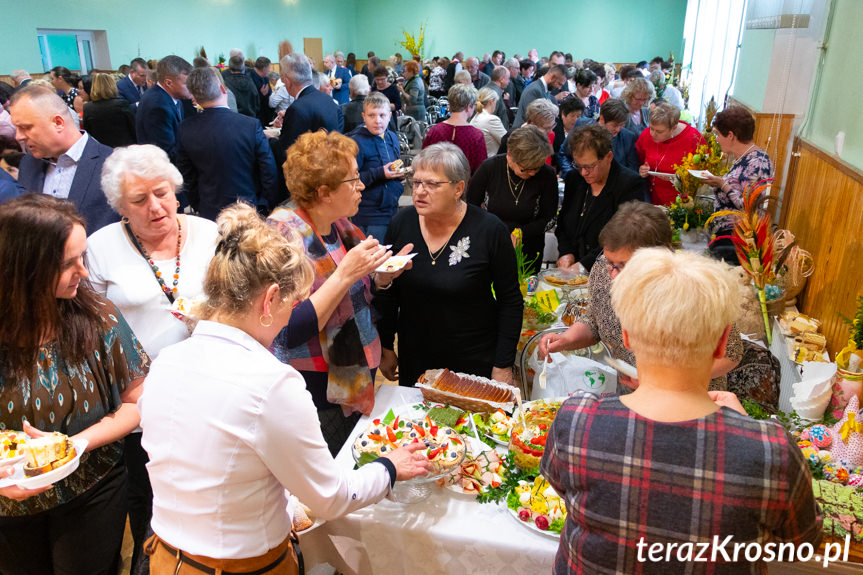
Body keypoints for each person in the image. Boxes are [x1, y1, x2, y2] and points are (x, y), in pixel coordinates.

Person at [140, 202, 431, 574]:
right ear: (269, 300)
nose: (290, 318)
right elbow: (331, 498)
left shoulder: (168, 360)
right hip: (242, 566)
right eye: (293, 304)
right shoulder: (272, 383)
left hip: (167, 558)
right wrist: (390, 466)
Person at [540, 247, 820, 574]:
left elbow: (566, 491)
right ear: (721, 342)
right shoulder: (773, 453)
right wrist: (748, 434)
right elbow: (799, 546)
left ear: (626, 336)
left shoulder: (576, 421)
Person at [0, 194, 149, 575]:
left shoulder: (97, 315)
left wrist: (76, 444)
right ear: (24, 269)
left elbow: (137, 402)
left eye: (82, 257)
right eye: (68, 263)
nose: (83, 272)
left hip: (91, 486)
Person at [86, 144, 217, 573]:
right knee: (149, 501)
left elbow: (236, 303)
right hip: (139, 403)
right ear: (120, 206)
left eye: (162, 193)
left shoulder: (209, 233)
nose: (155, 207)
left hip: (209, 391)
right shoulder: (100, 248)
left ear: (176, 189)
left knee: (210, 490)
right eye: (139, 201)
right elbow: (91, 331)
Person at [266, 130, 403, 453]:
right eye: (353, 180)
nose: (362, 185)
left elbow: (357, 294)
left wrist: (381, 276)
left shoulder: (340, 225)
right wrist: (346, 274)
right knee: (336, 471)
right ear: (325, 192)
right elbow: (285, 331)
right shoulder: (283, 236)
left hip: (355, 370)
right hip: (318, 389)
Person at [540, 201, 742, 391]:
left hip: (690, 402)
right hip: (632, 398)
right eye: (610, 262)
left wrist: (664, 381)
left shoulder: (694, 287)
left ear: (660, 255)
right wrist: (565, 340)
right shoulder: (604, 269)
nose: (612, 273)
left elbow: (731, 355)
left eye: (623, 265)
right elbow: (594, 320)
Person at [375, 142, 523, 388]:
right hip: (417, 358)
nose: (420, 191)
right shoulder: (402, 224)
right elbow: (391, 294)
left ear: (458, 189)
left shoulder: (488, 229)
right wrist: (386, 345)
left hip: (474, 358)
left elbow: (511, 301)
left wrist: (503, 364)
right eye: (417, 182)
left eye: (432, 184)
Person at [10, 85, 119, 233]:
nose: (18, 136)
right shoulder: (28, 164)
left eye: (26, 127)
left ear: (58, 123)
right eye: (16, 128)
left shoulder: (113, 164)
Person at [177, 66, 278, 218]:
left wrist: (198, 203)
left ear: (195, 99)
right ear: (223, 89)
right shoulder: (250, 125)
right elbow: (268, 170)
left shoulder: (185, 129)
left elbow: (187, 176)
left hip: (209, 208)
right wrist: (265, 203)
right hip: (247, 207)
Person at [467, 125, 557, 274]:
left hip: (529, 247)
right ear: (510, 156)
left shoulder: (547, 175)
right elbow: (471, 208)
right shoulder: (490, 168)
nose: (533, 173)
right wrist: (492, 231)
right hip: (491, 242)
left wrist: (522, 233)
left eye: (537, 168)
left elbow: (549, 218)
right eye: (525, 169)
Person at [555, 124, 646, 273]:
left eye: (590, 166)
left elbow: (623, 237)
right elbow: (564, 223)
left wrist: (584, 265)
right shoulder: (574, 178)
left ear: (608, 157)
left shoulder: (629, 185)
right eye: (578, 165)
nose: (583, 172)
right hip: (571, 269)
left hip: (608, 272)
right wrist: (566, 252)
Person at [703, 106, 773, 264]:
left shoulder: (758, 162)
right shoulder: (743, 157)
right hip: (726, 237)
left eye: (718, 135)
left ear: (730, 135)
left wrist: (723, 184)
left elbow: (750, 205)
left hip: (738, 240)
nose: (717, 139)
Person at [275, 53, 344, 198]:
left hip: (309, 183)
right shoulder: (327, 100)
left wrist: (269, 139)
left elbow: (287, 152)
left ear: (287, 81)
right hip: (330, 174)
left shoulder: (298, 108)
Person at [348, 92, 406, 238]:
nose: (377, 121)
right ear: (363, 116)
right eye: (371, 115)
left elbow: (393, 165)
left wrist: (399, 175)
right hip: (369, 214)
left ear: (390, 115)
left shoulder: (391, 137)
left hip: (392, 208)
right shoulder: (356, 143)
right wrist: (380, 173)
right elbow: (349, 182)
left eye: (382, 115)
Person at [637, 100, 705, 205]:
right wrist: (641, 170)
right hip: (649, 199)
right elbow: (637, 161)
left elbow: (704, 172)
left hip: (680, 202)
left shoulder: (693, 138)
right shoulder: (646, 135)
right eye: (651, 128)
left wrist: (680, 178)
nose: (653, 134)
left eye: (659, 131)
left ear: (674, 128)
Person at [560, 98, 640, 179]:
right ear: (602, 118)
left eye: (622, 125)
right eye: (615, 125)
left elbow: (632, 170)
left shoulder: (628, 137)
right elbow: (564, 154)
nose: (618, 129)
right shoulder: (581, 125)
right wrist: (571, 176)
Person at [136, 55, 193, 163]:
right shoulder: (157, 106)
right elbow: (166, 153)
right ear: (168, 83)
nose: (191, 88)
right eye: (186, 84)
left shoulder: (170, 97)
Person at [422, 84, 487, 174]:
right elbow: (480, 171)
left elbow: (424, 161)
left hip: (436, 183)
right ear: (469, 107)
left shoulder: (435, 130)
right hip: (463, 185)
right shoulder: (476, 135)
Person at [82, 72, 137, 148]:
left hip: (102, 149)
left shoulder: (87, 108)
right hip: (124, 149)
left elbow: (88, 133)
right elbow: (133, 128)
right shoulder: (121, 104)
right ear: (112, 85)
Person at [513, 64, 567, 128]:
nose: (559, 88)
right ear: (552, 77)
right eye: (559, 84)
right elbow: (532, 119)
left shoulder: (543, 90)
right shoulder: (534, 90)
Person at [470, 86, 507, 157]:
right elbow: (508, 141)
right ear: (491, 101)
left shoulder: (474, 118)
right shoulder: (491, 120)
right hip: (493, 162)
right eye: (496, 102)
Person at [250, 56, 274, 126]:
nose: (269, 71)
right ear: (264, 69)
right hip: (257, 115)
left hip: (266, 113)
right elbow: (251, 99)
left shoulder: (265, 77)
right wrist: (262, 95)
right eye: (269, 68)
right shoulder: (250, 78)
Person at [487, 65, 511, 130]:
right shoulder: (495, 94)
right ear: (502, 79)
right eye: (508, 78)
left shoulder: (485, 88)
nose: (509, 81)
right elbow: (491, 119)